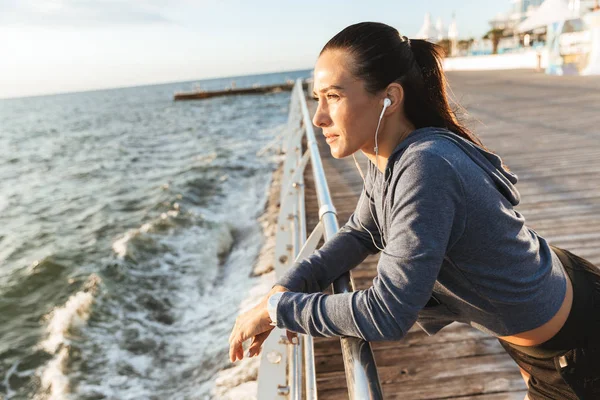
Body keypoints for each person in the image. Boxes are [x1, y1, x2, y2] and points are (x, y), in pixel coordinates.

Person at [228, 22, 600, 399]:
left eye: (334, 96)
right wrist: (286, 287)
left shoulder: (426, 166)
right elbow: (360, 232)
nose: (318, 117)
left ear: (389, 97)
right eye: (316, 98)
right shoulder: (387, 157)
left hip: (576, 342)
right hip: (540, 322)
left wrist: (282, 310)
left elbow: (387, 312)